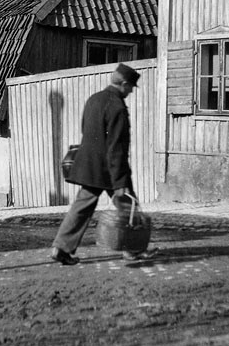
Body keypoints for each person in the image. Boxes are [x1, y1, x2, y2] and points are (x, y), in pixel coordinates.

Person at [51, 63, 156, 266]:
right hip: (109, 170)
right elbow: (116, 147)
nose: (132, 91)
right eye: (131, 87)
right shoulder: (117, 106)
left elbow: (85, 130)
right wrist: (120, 181)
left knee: (82, 207)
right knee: (128, 205)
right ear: (124, 84)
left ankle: (61, 248)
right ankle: (134, 249)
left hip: (89, 165)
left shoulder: (94, 99)